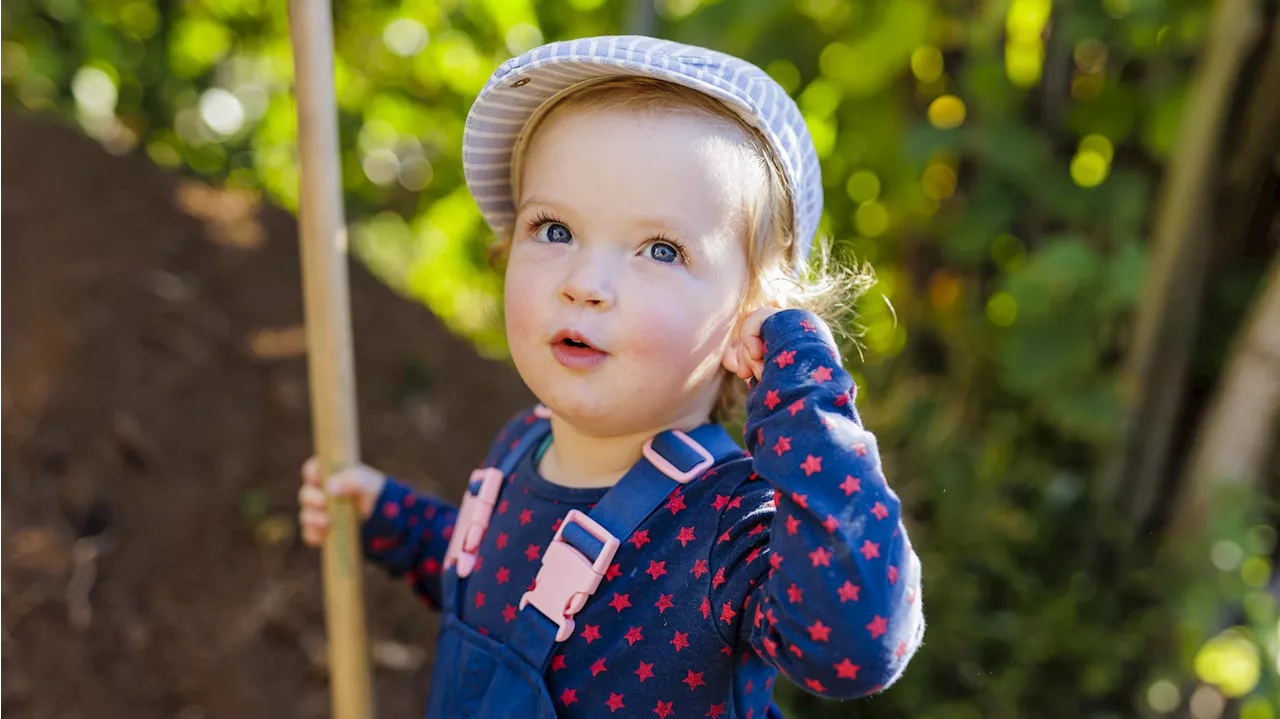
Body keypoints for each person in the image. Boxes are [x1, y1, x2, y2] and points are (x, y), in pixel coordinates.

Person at [298, 35, 924, 719]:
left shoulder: (730, 523)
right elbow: (498, 580)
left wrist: (801, 380)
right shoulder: (520, 448)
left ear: (754, 313)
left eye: (660, 249)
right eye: (555, 229)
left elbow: (859, 643)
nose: (585, 284)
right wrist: (389, 517)